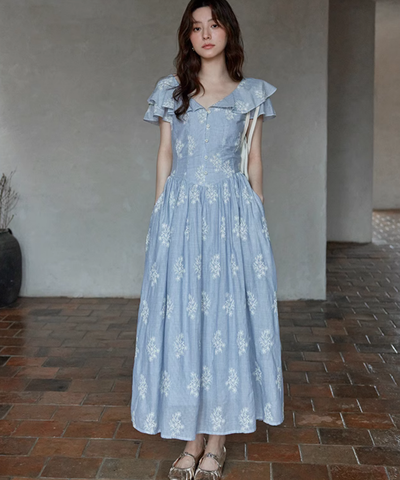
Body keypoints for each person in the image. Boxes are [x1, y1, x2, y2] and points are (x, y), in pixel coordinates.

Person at [130, 0, 284, 478]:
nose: (206, 34)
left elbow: (253, 159)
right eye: (196, 28)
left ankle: (217, 441)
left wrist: (256, 215)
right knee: (185, 318)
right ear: (188, 37)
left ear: (228, 31)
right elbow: (165, 154)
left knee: (225, 318)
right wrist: (160, 212)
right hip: (181, 213)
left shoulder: (251, 94)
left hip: (231, 215)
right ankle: (190, 439)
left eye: (214, 25)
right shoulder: (171, 91)